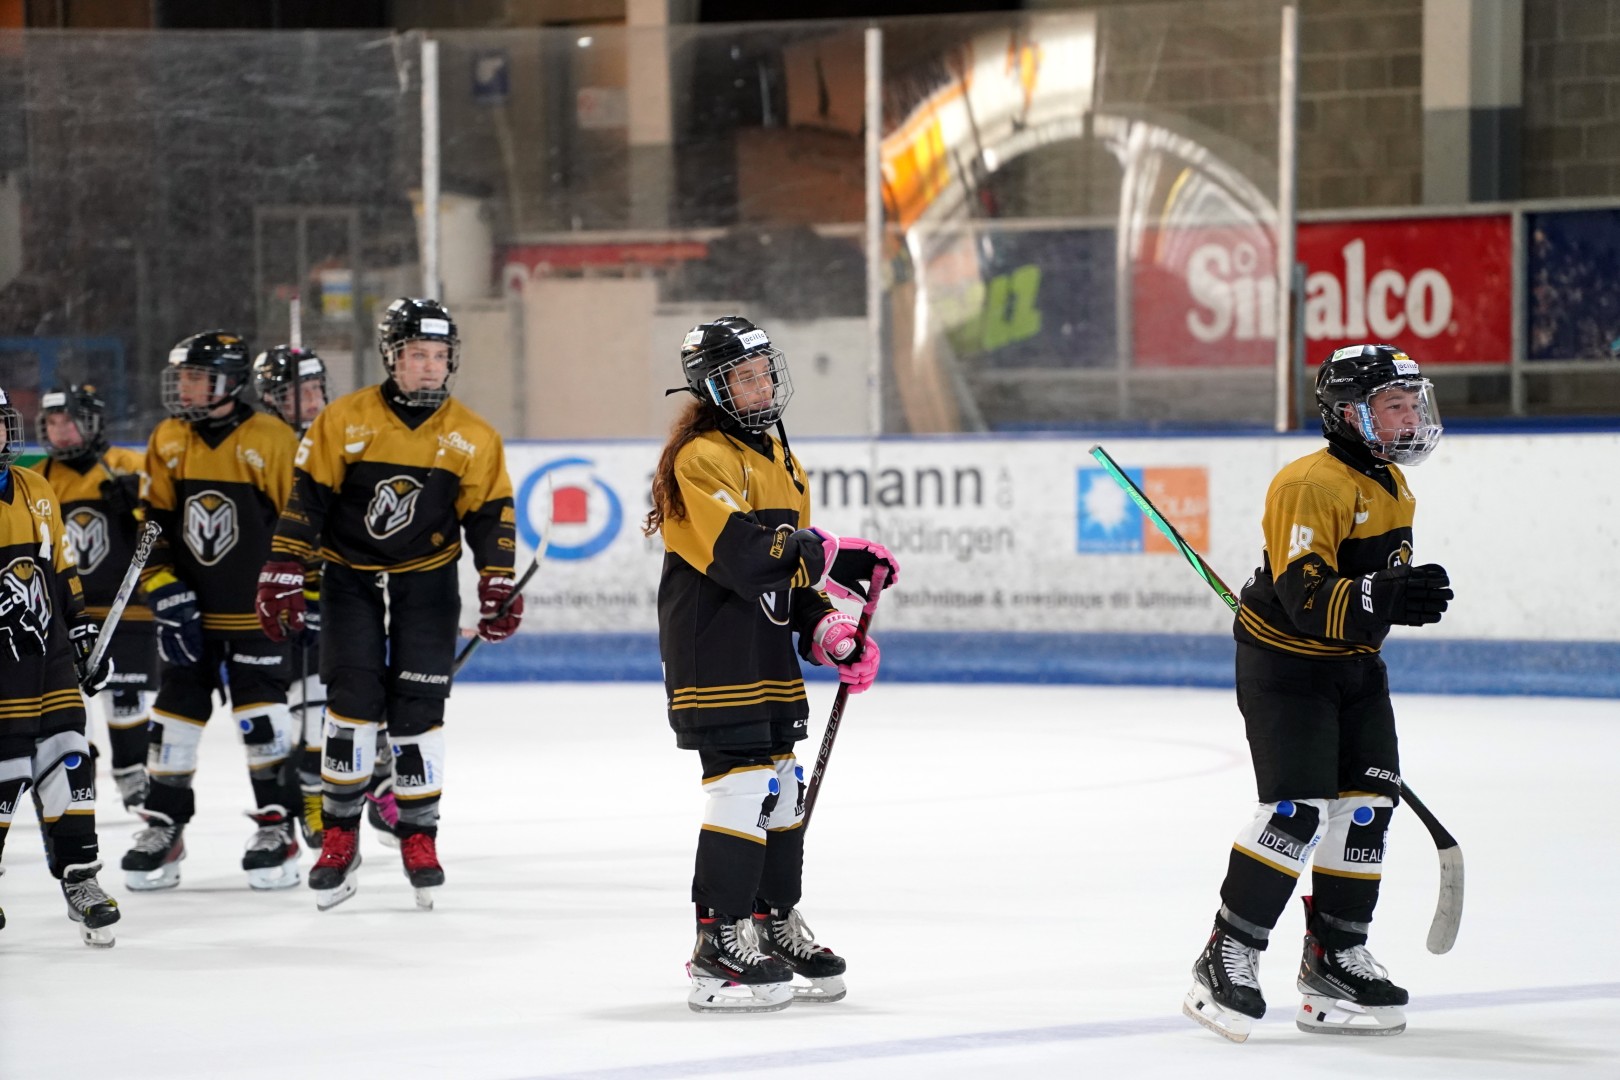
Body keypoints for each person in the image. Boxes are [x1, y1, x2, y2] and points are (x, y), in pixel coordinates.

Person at [1183, 344, 1452, 1042]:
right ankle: (1227, 952)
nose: (1409, 418)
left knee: (1366, 810)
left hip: (1355, 668)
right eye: (1392, 406)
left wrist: (1391, 597)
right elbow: (1306, 599)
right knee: (1296, 812)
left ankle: (1334, 958)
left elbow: (1361, 593)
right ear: (1348, 415)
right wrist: (1381, 595)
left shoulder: (1391, 481)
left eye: (1412, 404)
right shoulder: (1309, 483)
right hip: (1288, 667)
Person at [644, 315, 899, 1014]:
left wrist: (829, 630)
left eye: (763, 374)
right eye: (742, 377)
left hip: (766, 652)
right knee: (742, 787)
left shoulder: (782, 458)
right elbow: (747, 556)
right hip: (712, 650)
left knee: (783, 790)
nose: (759, 387)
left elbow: (794, 575)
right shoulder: (699, 458)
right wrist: (832, 550)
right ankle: (717, 941)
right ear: (712, 388)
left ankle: (770, 923)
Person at [258, 297, 518, 912]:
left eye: (439, 355)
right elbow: (307, 499)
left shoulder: (473, 435)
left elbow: (491, 515)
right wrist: (285, 563)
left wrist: (497, 579)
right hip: (349, 581)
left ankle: (419, 835)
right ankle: (340, 834)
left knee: (419, 711)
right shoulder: (344, 419)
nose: (428, 366)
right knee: (350, 705)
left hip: (427, 586)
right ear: (391, 357)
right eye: (416, 354)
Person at [122, 331, 302, 892]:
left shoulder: (271, 438)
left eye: (198, 377)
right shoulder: (169, 437)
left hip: (256, 616)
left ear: (230, 381)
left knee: (262, 720)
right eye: (184, 377)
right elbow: (150, 525)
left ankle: (277, 826)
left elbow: (299, 524)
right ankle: (165, 825)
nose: (186, 387)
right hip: (190, 617)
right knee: (172, 720)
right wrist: (163, 589)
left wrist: (303, 591)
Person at [251, 346, 400, 853]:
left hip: (343, 588)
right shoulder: (262, 447)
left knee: (363, 693)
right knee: (306, 707)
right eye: (298, 393)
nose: (311, 400)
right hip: (283, 596)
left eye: (316, 389)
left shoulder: (343, 436)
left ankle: (379, 783)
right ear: (272, 399)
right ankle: (314, 799)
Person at [0, 384, 119, 946]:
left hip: (48, 657)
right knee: (4, 773)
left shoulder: (37, 488)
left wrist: (83, 631)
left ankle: (81, 877)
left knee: (70, 757)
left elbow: (62, 571)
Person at [28, 383, 158, 817]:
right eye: (51, 422)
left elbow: (160, 524)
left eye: (69, 421)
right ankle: (80, 771)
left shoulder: (127, 464)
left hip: (127, 608)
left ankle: (132, 770)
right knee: (66, 702)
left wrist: (137, 508)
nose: (60, 430)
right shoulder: (40, 477)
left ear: (92, 421)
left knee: (125, 697)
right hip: (67, 612)